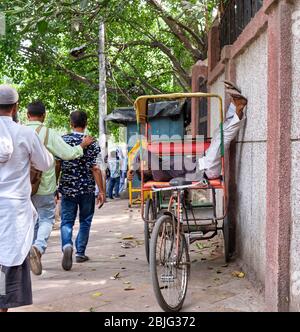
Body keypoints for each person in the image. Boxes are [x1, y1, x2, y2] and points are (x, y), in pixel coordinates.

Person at [0, 85, 53, 312]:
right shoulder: (25, 133)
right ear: (15, 107)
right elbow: (45, 164)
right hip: (14, 211)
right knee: (7, 262)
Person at [26, 101, 94, 276]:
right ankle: (38, 247)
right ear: (44, 116)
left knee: (32, 220)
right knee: (47, 218)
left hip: (21, 187)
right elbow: (67, 154)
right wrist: (82, 146)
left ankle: (33, 251)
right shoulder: (49, 134)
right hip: (44, 185)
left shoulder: (18, 131)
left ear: (27, 115)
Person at [128, 83, 248, 183]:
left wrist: (133, 168)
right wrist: (133, 169)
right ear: (145, 174)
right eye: (142, 168)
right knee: (222, 139)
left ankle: (234, 106)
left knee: (218, 133)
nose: (144, 164)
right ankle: (239, 108)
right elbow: (144, 152)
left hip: (203, 160)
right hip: (206, 169)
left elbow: (142, 154)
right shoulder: (158, 175)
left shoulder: (161, 164)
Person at [56, 111, 105, 271]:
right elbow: (96, 169)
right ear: (86, 123)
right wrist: (102, 191)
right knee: (85, 220)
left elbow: (57, 165)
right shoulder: (92, 142)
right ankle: (80, 253)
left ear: (71, 123)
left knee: (67, 221)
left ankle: (67, 245)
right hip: (87, 189)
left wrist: (56, 186)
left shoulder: (62, 140)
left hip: (68, 188)